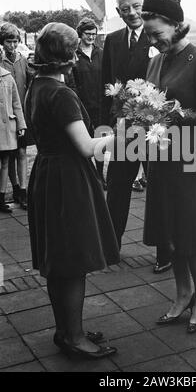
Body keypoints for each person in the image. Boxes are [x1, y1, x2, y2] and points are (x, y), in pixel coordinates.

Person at [25, 22, 119, 359]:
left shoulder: (35, 86)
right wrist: (121, 137)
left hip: (47, 174)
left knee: (58, 262)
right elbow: (85, 147)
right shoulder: (61, 93)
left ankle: (65, 329)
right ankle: (76, 337)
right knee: (74, 261)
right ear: (69, 56)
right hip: (68, 179)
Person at [142, 0, 196, 333]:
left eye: (157, 33)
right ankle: (182, 293)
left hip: (189, 153)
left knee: (190, 228)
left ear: (176, 25)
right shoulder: (155, 60)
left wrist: (182, 115)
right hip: (159, 154)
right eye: (148, 34)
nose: (154, 39)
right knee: (168, 230)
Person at [102, 0, 172, 273]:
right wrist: (106, 126)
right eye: (124, 8)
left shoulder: (157, 38)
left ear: (143, 8)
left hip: (154, 127)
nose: (130, 12)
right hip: (123, 127)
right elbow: (106, 86)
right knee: (117, 186)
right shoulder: (113, 40)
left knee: (159, 187)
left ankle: (165, 250)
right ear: (118, 12)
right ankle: (110, 246)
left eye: (135, 6)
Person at [67, 17, 106, 185]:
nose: (91, 37)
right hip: (82, 106)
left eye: (94, 34)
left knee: (99, 140)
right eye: (88, 34)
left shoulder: (101, 53)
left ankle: (99, 176)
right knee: (85, 142)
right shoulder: (74, 55)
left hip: (100, 105)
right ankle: (88, 177)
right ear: (80, 34)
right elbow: (71, 82)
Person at [0, 23, 33, 209]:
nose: (12, 46)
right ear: (2, 43)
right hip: (5, 117)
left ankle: (23, 189)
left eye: (15, 41)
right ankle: (12, 187)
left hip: (20, 114)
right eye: (8, 41)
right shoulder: (1, 61)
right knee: (8, 156)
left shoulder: (23, 60)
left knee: (22, 152)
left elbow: (29, 84)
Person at [0, 66, 26, 213]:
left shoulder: (7, 77)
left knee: (5, 161)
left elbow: (16, 104)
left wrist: (21, 125)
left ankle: (1, 198)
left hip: (6, 128)